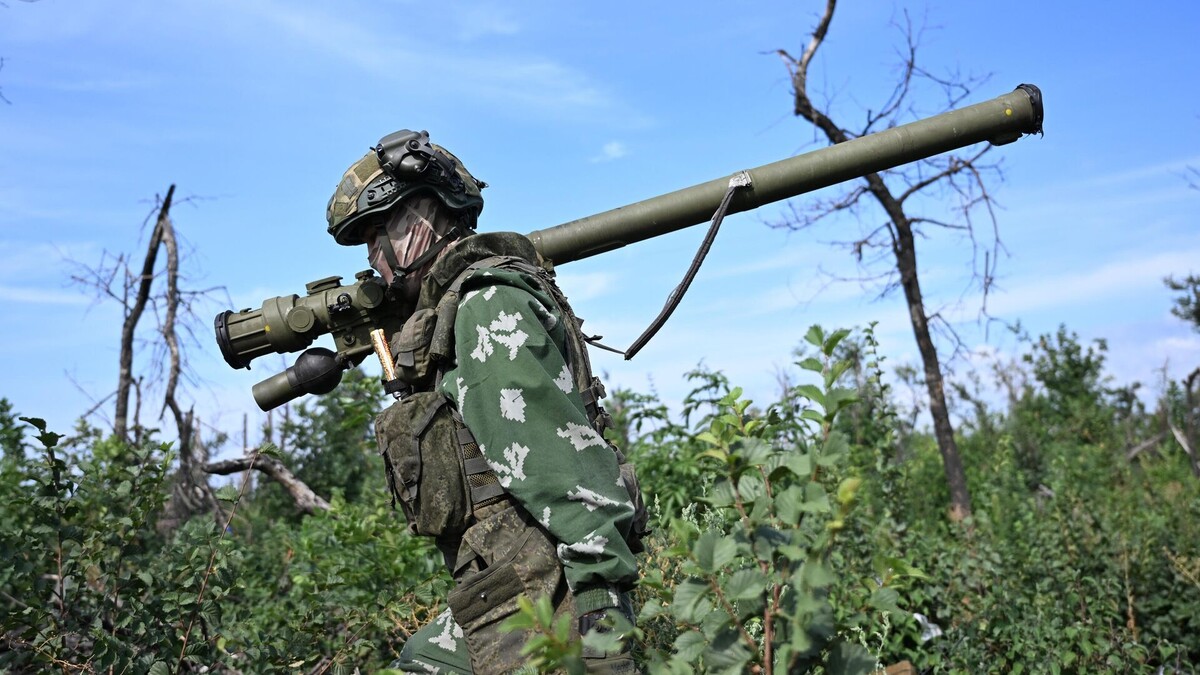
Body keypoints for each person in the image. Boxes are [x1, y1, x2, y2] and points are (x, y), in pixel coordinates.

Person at [325, 129, 647, 674]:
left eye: (384, 229)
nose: (374, 251)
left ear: (432, 210)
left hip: (545, 585)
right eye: (366, 239)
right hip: (511, 579)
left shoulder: (484, 305)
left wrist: (603, 618)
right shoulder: (456, 307)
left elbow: (561, 467)